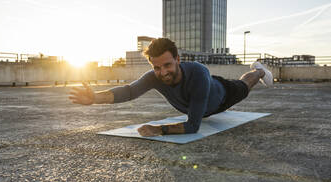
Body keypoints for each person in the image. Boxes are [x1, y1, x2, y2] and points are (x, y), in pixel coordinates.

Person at [69, 38, 273, 137]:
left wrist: (158, 129)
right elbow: (130, 91)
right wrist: (94, 97)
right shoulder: (154, 77)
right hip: (201, 104)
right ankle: (257, 71)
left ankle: (259, 70)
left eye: (167, 65)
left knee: (246, 84)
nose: (163, 72)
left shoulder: (199, 73)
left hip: (222, 95)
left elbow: (193, 126)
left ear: (177, 59)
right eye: (156, 67)